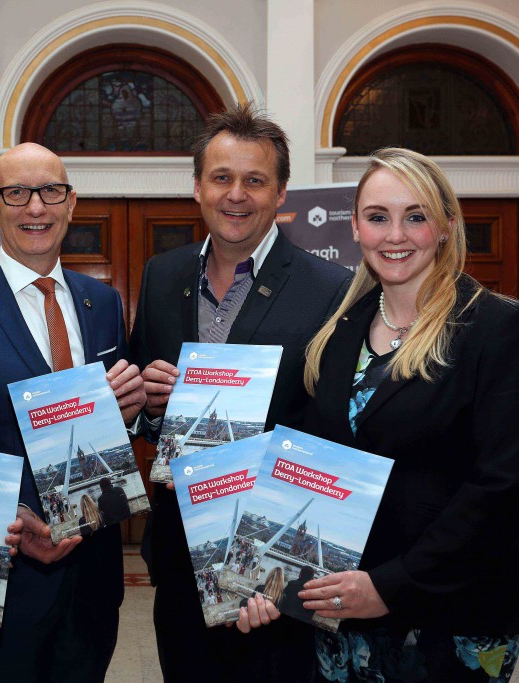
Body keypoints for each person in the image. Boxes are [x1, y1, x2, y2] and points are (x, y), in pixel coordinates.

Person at [294, 148, 519, 681]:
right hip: (346, 604)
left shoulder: (498, 327)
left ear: (446, 226)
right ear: (356, 229)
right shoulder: (339, 331)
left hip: (451, 612)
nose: (395, 235)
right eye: (378, 217)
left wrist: (391, 586)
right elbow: (313, 459)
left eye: (416, 216)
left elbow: (501, 489)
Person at [129, 102, 352, 682]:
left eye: (255, 180)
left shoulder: (332, 288)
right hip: (181, 550)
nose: (237, 195)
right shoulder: (162, 276)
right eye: (222, 178)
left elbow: (337, 430)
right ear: (197, 187)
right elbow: (143, 409)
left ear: (281, 194)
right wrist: (152, 405)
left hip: (276, 547)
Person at [0, 142, 146, 682]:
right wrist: (13, 519)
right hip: (4, 573)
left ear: (71, 204)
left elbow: (107, 423)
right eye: (16, 193)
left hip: (93, 573)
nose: (35, 207)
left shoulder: (103, 302)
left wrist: (130, 412)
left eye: (50, 191)